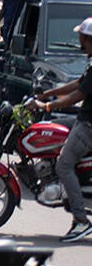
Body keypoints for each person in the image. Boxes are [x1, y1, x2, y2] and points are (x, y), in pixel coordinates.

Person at [32, 17, 92, 241]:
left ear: (87, 38)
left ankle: (81, 221)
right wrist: (46, 94)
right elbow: (77, 83)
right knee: (52, 127)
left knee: (64, 165)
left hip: (89, 124)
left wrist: (47, 105)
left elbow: (79, 95)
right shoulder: (91, 61)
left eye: (81, 35)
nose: (79, 39)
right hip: (83, 118)